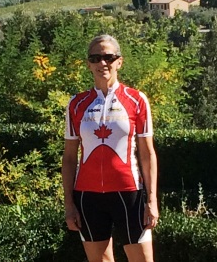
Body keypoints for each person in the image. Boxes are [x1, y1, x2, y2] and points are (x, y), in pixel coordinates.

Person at [62, 34, 158, 262]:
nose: (102, 63)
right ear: (88, 64)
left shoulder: (137, 100)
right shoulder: (76, 104)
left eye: (108, 57)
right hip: (87, 196)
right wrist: (68, 203)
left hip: (129, 193)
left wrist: (152, 200)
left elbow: (147, 153)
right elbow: (68, 158)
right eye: (95, 58)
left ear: (119, 62)